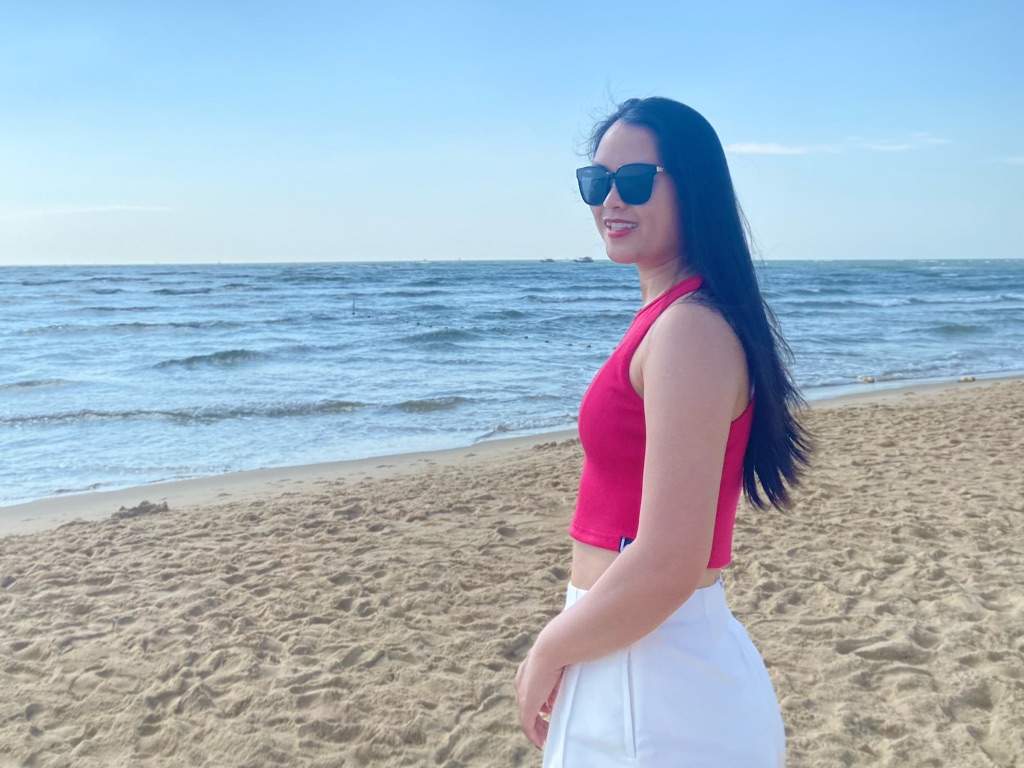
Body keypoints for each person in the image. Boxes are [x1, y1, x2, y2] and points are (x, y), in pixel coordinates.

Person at [514, 97, 811, 767]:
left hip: (651, 675)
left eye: (635, 179)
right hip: (634, 651)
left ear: (692, 186)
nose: (610, 199)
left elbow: (670, 560)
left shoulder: (689, 329)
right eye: (596, 181)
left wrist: (548, 648)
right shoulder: (674, 317)